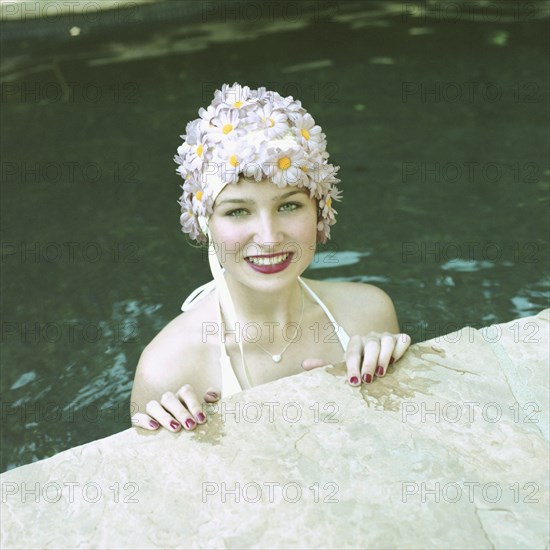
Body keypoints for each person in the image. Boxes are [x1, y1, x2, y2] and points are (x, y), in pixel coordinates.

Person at [130, 83, 411, 432]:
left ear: (320, 212)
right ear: (206, 224)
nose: (269, 237)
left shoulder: (368, 314)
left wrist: (373, 389)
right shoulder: (167, 369)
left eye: (289, 205)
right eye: (237, 212)